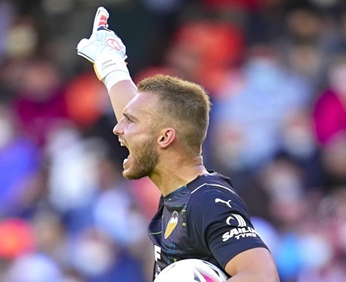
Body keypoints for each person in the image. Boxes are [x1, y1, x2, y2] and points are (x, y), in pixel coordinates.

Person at [76, 7, 279, 282]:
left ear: (164, 138)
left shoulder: (208, 202)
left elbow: (262, 276)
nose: (118, 129)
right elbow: (144, 120)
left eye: (130, 123)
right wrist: (111, 63)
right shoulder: (180, 195)